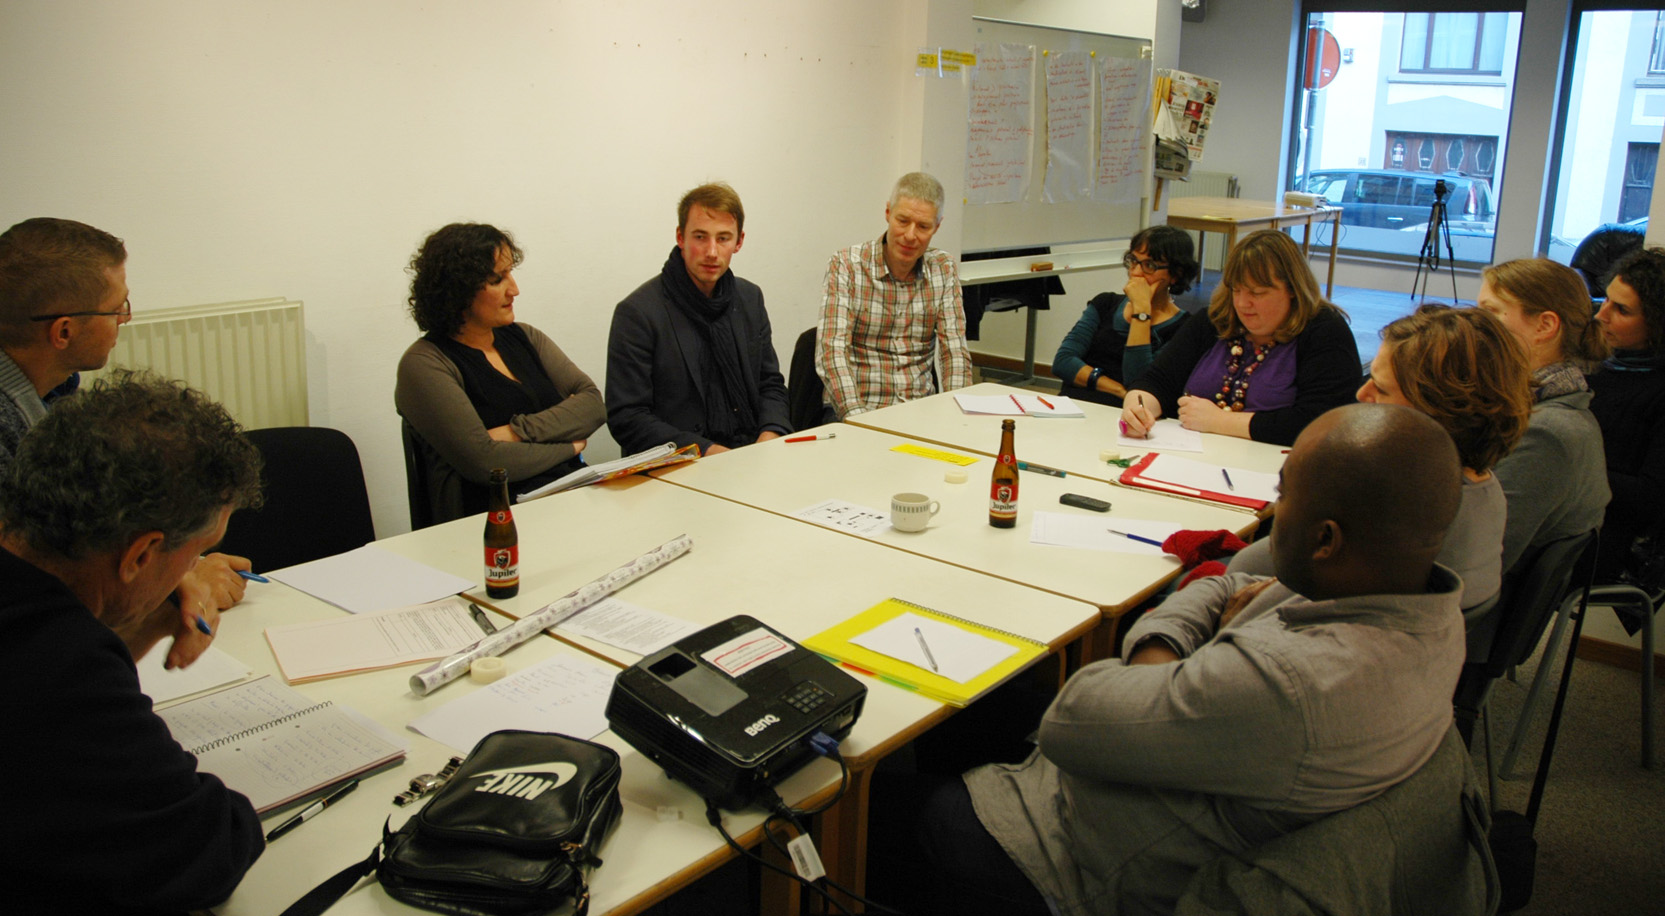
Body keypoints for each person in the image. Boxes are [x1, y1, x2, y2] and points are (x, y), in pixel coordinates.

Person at [872, 404, 1467, 916]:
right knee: (980, 693)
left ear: (1326, 540)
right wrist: (1205, 624)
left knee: (869, 806)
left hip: (1065, 857)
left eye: (1283, 494)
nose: (1273, 507)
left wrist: (1171, 646)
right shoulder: (1416, 605)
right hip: (1163, 770)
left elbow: (1074, 718)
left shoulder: (1294, 686)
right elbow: (1233, 576)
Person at [0, 370, 266, 914]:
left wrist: (132, 625)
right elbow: (207, 846)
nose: (193, 573)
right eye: (194, 554)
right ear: (141, 554)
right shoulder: (56, 667)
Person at [0, 217, 250, 665]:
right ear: (63, 331)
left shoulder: (54, 392)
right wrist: (179, 576)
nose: (125, 320)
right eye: (118, 308)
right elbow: (47, 589)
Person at [1230, 304, 1528, 612]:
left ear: (1440, 410)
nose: (1362, 395)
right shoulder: (1481, 491)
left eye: (1382, 389)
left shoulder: (1397, 518)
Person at [396, 223, 605, 525]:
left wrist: (517, 431)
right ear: (458, 291)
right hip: (492, 524)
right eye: (497, 279)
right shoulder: (424, 364)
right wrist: (569, 446)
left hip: (568, 498)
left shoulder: (525, 336)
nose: (514, 289)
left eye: (510, 273)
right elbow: (485, 463)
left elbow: (592, 406)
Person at [1120, 228, 1360, 445]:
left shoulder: (1325, 331)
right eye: (1237, 290)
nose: (1244, 303)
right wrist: (1137, 409)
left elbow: (1322, 422)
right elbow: (1156, 381)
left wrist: (1220, 421)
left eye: (1258, 292)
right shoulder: (1214, 320)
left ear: (1292, 290)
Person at [606, 182, 791, 455]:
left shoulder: (750, 298)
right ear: (681, 238)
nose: (712, 252)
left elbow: (770, 384)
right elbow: (628, 417)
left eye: (723, 238)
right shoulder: (638, 313)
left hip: (751, 453)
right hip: (681, 464)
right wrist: (706, 451)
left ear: (739, 242)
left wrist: (770, 433)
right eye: (700, 237)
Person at [1477, 258, 1611, 572]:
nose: (1476, 326)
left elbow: (1482, 557)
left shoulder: (1548, 433)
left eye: (1490, 312)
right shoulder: (1545, 406)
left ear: (1545, 326)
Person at [817, 171, 974, 418]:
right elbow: (832, 352)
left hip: (919, 411)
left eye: (923, 226)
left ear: (937, 226)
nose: (910, 235)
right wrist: (858, 417)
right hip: (857, 410)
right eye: (903, 221)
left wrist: (958, 415)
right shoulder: (847, 264)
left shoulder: (943, 268)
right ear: (888, 213)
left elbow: (953, 350)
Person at [1052, 225, 1198, 407]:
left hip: (1130, 418)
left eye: (1149, 266)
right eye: (1133, 261)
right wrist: (1119, 390)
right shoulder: (1105, 303)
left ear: (1176, 274)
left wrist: (1141, 313)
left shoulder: (1184, 328)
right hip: (1073, 405)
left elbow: (1140, 384)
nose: (1135, 272)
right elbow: (1063, 362)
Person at [1588, 246, 1665, 584]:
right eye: (1605, 300)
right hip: (1580, 519)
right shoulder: (1602, 367)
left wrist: (1573, 467)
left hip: (1613, 547)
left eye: (1621, 310)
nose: (1601, 316)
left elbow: (1651, 497)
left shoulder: (1658, 392)